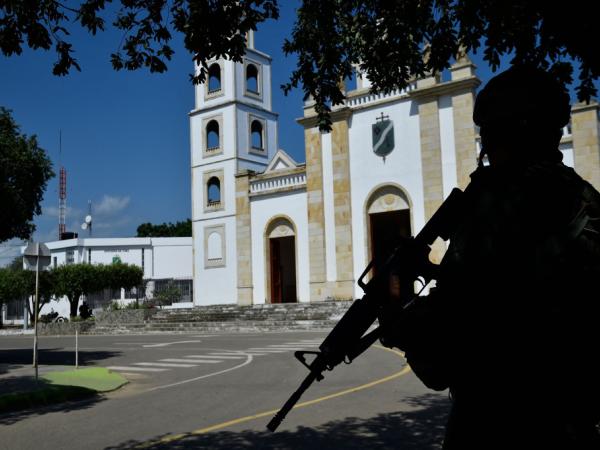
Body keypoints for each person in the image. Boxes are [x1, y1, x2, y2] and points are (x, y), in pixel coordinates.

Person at [382, 65, 600, 449]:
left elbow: (441, 356)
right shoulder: (586, 201)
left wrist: (393, 306)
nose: (485, 149)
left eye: (488, 136)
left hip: (496, 426)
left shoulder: (498, 206)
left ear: (508, 134)